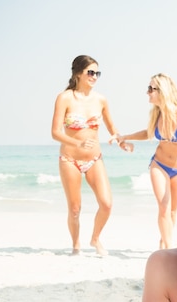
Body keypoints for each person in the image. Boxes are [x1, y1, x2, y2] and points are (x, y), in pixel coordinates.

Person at [111, 73, 177, 249]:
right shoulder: (157, 113)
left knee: (173, 212)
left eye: (151, 89)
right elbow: (149, 132)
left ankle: (163, 241)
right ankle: (167, 249)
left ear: (163, 91)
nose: (148, 92)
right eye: (148, 88)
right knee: (164, 207)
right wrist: (125, 137)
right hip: (159, 165)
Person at [51, 55, 120, 256]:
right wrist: (77, 142)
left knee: (106, 204)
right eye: (91, 72)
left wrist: (121, 140)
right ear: (78, 73)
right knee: (74, 209)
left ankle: (95, 238)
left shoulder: (101, 100)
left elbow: (112, 128)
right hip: (69, 159)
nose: (95, 77)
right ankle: (75, 245)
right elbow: (55, 132)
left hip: (94, 159)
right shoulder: (65, 98)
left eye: (97, 73)